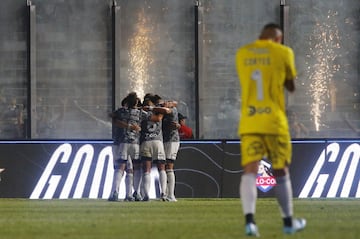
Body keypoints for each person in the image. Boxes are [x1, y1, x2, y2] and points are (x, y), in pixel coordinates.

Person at [235, 23, 306, 236]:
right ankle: (288, 222)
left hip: (250, 120)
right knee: (281, 170)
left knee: (250, 170)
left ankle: (250, 222)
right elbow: (291, 86)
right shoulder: (283, 52)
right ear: (277, 38)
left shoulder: (242, 53)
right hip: (274, 121)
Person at [108, 92, 142, 201]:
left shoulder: (121, 112)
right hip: (135, 143)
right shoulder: (140, 113)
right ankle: (133, 193)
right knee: (133, 168)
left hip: (122, 142)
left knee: (120, 167)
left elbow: (112, 116)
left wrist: (126, 125)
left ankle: (115, 192)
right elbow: (152, 116)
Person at [139, 94, 171, 201]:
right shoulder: (159, 112)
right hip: (157, 142)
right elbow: (163, 114)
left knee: (146, 169)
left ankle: (146, 194)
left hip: (145, 142)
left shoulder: (141, 114)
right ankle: (163, 193)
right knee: (161, 168)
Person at [162, 100, 181, 202]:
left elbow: (175, 103)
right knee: (164, 167)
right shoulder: (161, 112)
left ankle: (171, 195)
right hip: (165, 141)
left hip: (172, 141)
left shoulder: (172, 110)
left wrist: (169, 104)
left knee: (169, 166)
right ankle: (165, 194)